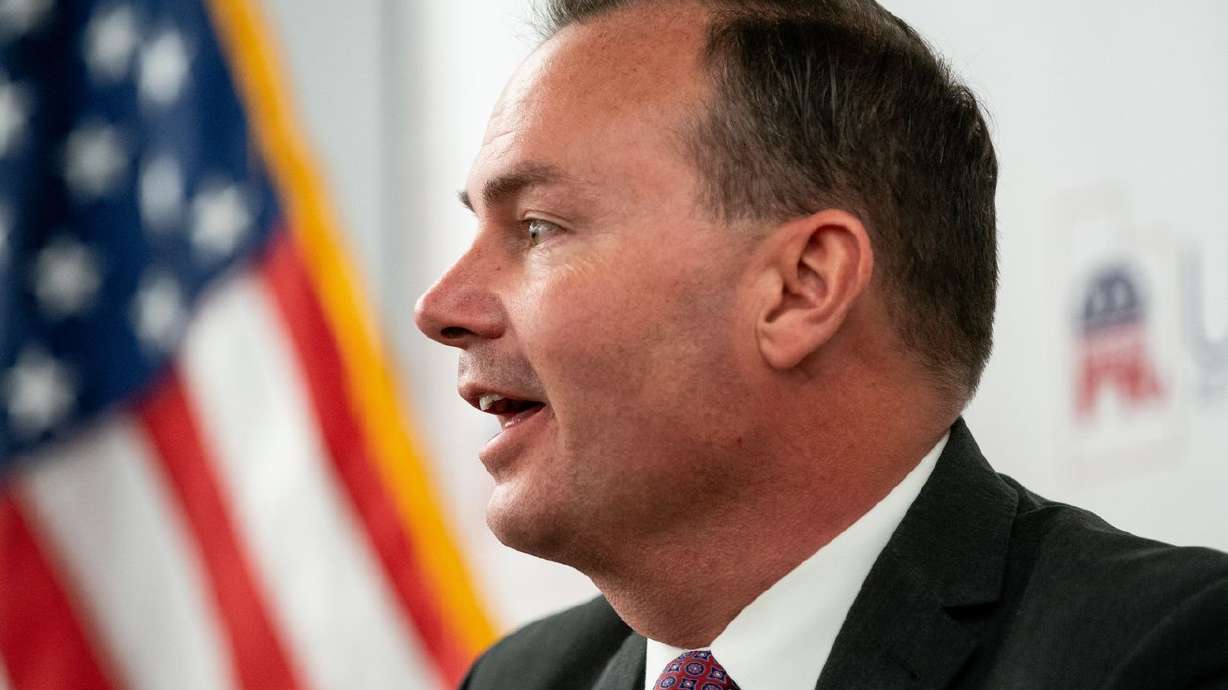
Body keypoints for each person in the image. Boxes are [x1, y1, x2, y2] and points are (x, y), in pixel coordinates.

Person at [413, 0, 1228, 687]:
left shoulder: (1168, 655)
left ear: (802, 286)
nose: (440, 307)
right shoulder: (519, 678)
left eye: (537, 228)